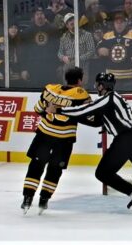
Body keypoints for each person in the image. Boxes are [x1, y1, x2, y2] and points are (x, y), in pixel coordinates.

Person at [46, 72, 132, 211]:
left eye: (97, 85)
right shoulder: (116, 97)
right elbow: (101, 119)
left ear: (101, 85)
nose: (96, 87)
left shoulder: (107, 99)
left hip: (126, 139)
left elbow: (85, 110)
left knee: (102, 173)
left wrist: (58, 109)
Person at [21, 67, 92, 215]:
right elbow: (87, 115)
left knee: (36, 165)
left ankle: (27, 198)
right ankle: (44, 200)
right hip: (64, 140)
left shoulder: (50, 89)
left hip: (44, 136)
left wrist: (52, 107)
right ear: (80, 80)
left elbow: (38, 109)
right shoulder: (82, 94)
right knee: (55, 170)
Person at [96, 11, 132, 92]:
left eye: (121, 22)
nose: (119, 24)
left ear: (126, 23)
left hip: (130, 78)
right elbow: (98, 49)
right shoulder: (107, 36)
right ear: (113, 23)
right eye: (117, 22)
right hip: (111, 77)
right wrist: (100, 50)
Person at [57, 13, 95, 86]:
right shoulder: (63, 38)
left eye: (73, 19)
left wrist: (77, 59)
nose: (71, 22)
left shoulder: (87, 35)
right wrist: (63, 57)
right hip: (68, 69)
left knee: (81, 91)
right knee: (68, 91)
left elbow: (91, 51)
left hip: (82, 68)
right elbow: (59, 52)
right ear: (66, 25)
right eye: (69, 21)